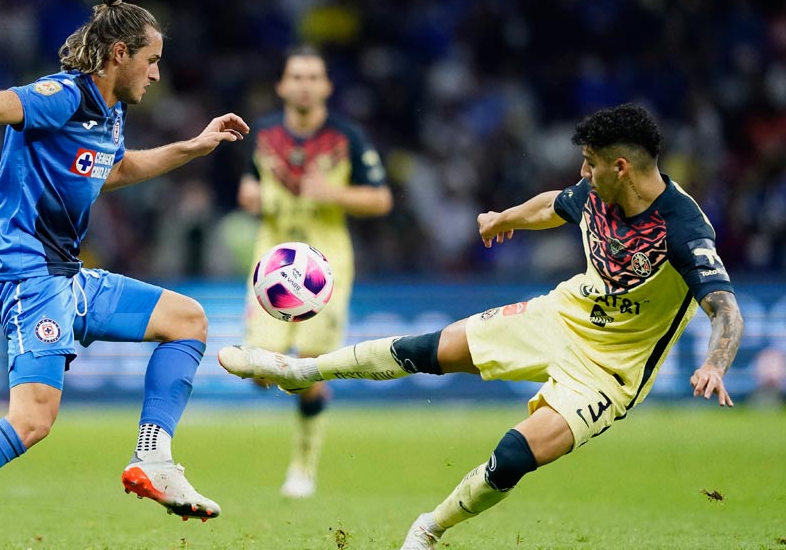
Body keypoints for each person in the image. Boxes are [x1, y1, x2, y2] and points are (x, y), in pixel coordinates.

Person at [218, 103, 744, 549]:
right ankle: (299, 370)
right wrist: (505, 218)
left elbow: (725, 307)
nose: (582, 173)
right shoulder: (599, 191)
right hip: (561, 317)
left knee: (514, 456)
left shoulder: (684, 228)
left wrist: (715, 364)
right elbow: (555, 206)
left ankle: (429, 528)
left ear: (622, 167)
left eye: (589, 164)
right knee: (430, 350)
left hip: (612, 372)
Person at [0, 0, 249, 550]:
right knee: (32, 421)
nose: (157, 75)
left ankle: (154, 459)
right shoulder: (64, 96)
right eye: (152, 61)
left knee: (186, 320)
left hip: (64, 275)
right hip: (26, 275)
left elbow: (112, 172)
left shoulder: (109, 115)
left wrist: (191, 147)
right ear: (121, 54)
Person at [236, 44, 392, 498]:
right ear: (283, 85)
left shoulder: (348, 137)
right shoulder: (263, 133)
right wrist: (250, 195)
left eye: (313, 77)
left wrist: (334, 194)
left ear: (326, 86)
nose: (304, 85)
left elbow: (381, 199)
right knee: (262, 371)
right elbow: (249, 182)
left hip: (325, 266)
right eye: (296, 77)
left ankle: (302, 469)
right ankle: (285, 378)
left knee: (309, 369)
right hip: (273, 263)